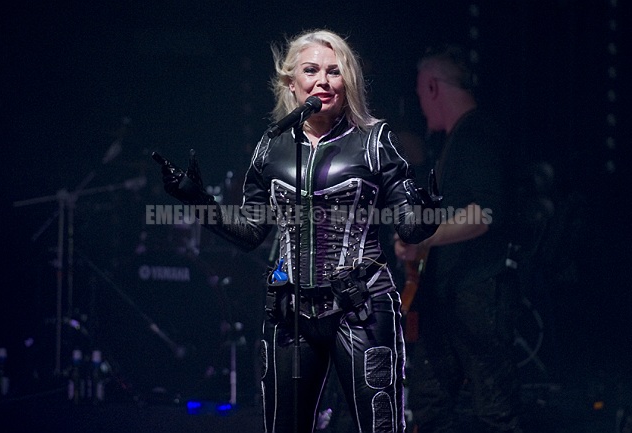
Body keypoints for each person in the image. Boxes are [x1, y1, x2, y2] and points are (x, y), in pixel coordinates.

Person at [155, 29, 440, 433]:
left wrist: (428, 212)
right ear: (291, 82)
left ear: (348, 82)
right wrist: (198, 200)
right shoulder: (271, 146)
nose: (323, 81)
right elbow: (251, 231)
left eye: (334, 72)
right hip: (289, 313)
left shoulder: (374, 140)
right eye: (311, 70)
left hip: (361, 308)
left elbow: (410, 228)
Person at [394, 44, 524, 433]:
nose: (421, 106)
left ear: (433, 87)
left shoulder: (477, 134)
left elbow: (484, 214)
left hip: (478, 291)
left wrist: (423, 238)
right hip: (449, 295)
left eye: (421, 93)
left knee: (494, 410)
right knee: (430, 406)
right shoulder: (453, 142)